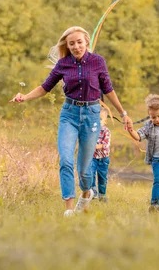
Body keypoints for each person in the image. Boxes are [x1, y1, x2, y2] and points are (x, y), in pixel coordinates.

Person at [10, 26, 133, 217]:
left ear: (86, 42)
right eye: (72, 43)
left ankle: (86, 193)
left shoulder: (98, 62)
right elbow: (45, 88)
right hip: (69, 114)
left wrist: (123, 113)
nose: (76, 46)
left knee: (84, 169)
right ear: (67, 46)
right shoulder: (63, 64)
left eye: (79, 42)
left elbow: (108, 89)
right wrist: (24, 97)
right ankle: (68, 209)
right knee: (66, 160)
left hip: (92, 115)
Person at [90, 106, 111, 203]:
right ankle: (93, 192)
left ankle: (102, 195)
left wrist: (94, 146)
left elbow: (104, 145)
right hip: (93, 157)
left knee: (102, 178)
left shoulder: (106, 131)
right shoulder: (91, 130)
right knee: (91, 174)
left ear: (105, 121)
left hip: (103, 158)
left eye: (100, 119)